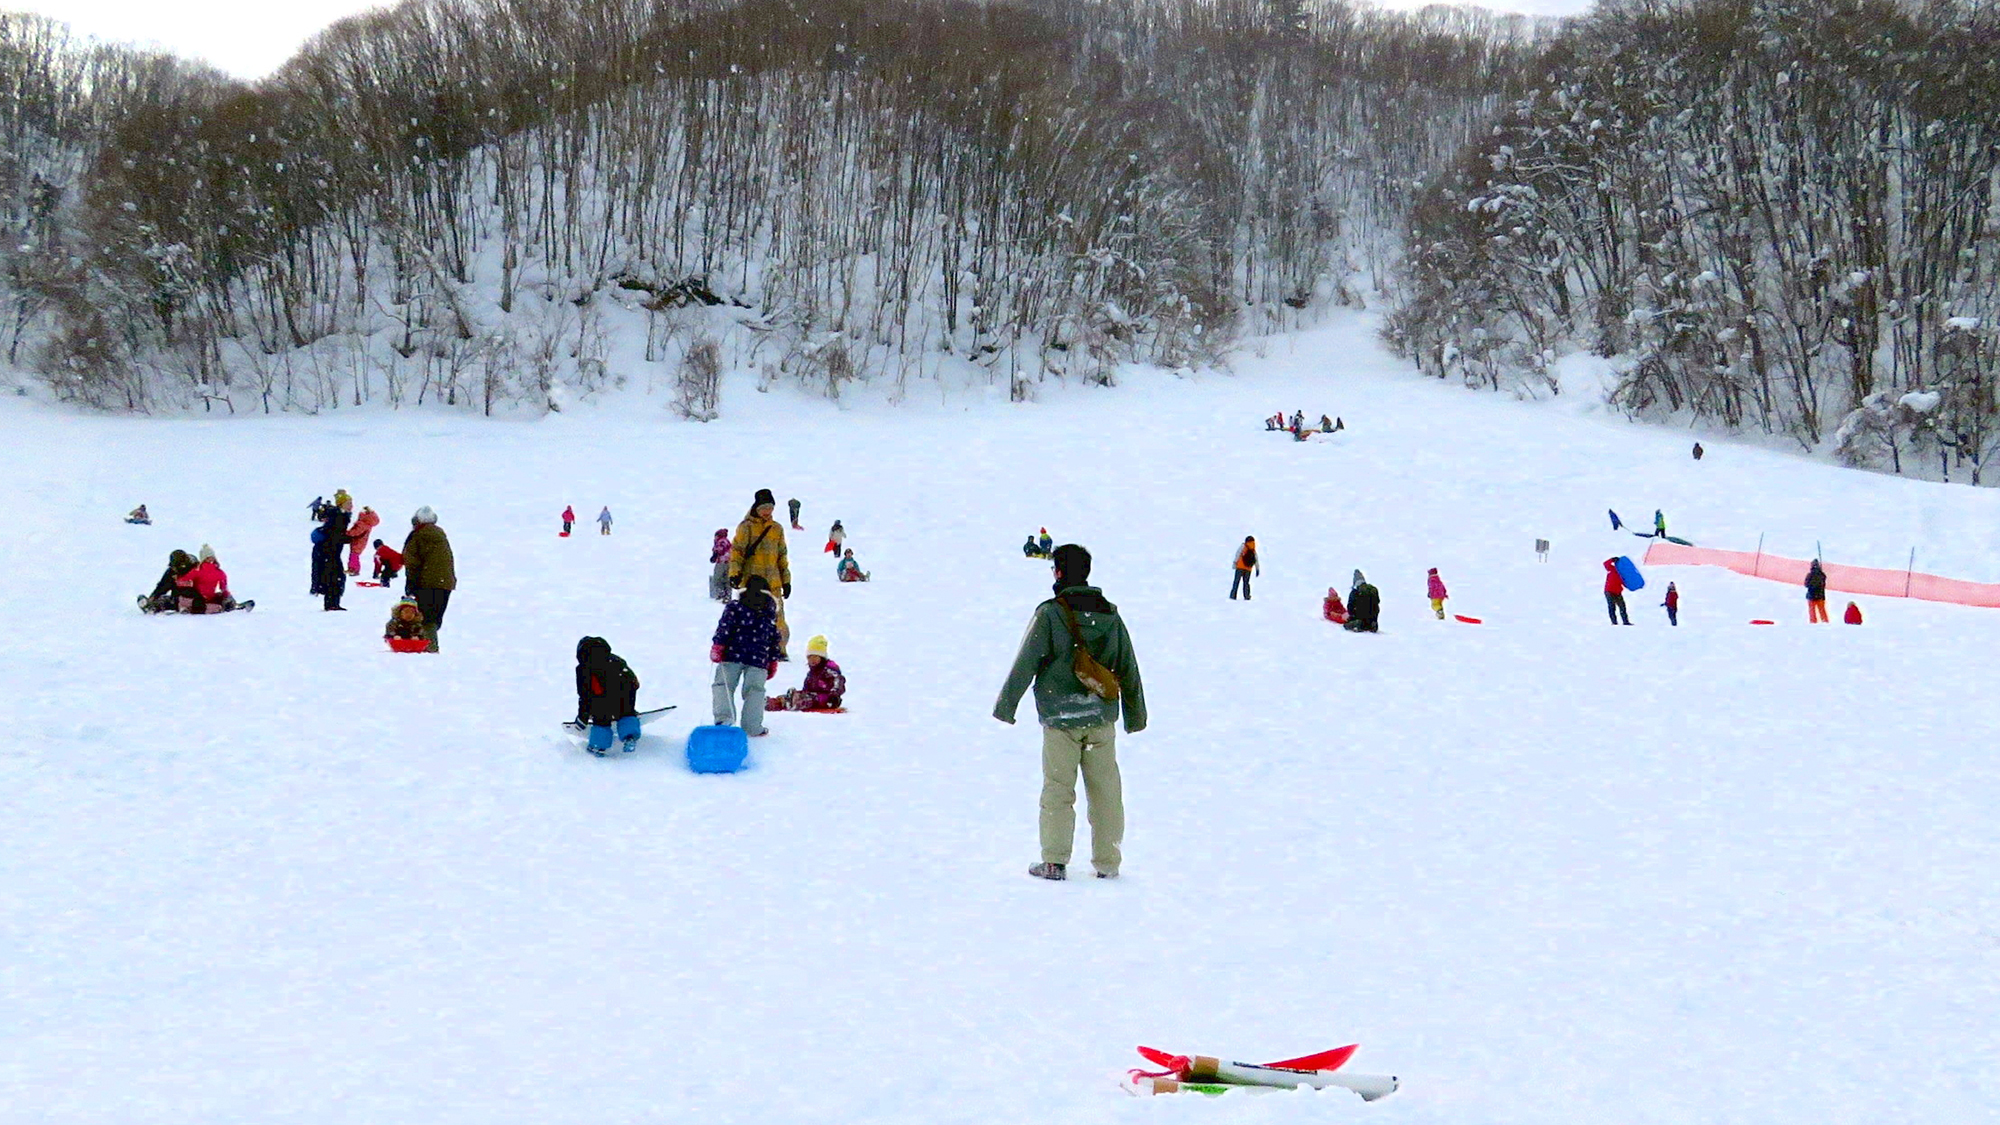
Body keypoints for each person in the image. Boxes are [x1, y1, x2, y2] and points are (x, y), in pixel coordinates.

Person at [995, 543, 1146, 882]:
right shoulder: (1109, 614)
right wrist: (1135, 714)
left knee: (1059, 788)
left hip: (1060, 718)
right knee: (1106, 791)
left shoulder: (1050, 614)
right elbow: (1128, 666)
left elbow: (1026, 661)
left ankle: (1054, 861)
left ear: (1059, 573)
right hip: (1101, 718)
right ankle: (1107, 863)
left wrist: (1006, 706)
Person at [711, 575, 781, 737]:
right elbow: (774, 638)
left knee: (723, 685)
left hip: (732, 654)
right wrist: (772, 660)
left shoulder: (735, 607)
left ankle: (724, 719)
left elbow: (725, 627)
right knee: (755, 691)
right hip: (759, 658)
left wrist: (718, 645)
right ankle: (752, 725)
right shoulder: (768, 613)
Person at [729, 489, 792, 658]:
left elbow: (782, 556)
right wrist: (734, 574)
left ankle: (779, 649)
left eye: (770, 508)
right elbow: (737, 552)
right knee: (750, 617)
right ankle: (750, 648)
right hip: (751, 582)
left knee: (777, 618)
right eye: (764, 508)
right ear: (756, 508)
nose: (767, 512)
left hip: (773, 582)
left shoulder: (776, 529)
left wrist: (786, 581)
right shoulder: (746, 527)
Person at [575, 636, 643, 755]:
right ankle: (629, 735)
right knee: (626, 711)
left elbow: (585, 696)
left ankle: (598, 747)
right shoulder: (615, 660)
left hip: (602, 699)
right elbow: (632, 680)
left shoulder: (584, 669)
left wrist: (583, 717)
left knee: (601, 718)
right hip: (625, 692)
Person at [402, 506, 457, 651]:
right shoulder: (440, 536)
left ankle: (428, 648)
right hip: (445, 583)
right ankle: (427, 644)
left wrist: (410, 585)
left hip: (427, 583)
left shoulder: (417, 536)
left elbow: (412, 562)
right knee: (434, 617)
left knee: (425, 618)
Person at [770, 634, 846, 712]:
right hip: (813, 696)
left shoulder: (829, 670)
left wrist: (834, 695)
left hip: (827, 699)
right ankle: (777, 702)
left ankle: (790, 702)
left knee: (804, 699)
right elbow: (807, 686)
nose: (812, 660)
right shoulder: (812, 672)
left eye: (815, 657)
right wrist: (802, 693)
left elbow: (838, 682)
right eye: (810, 657)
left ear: (822, 657)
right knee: (800, 696)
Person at [182, 544, 248, 613]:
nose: (210, 559)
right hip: (198, 599)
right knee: (217, 606)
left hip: (210, 598)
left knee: (221, 598)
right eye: (207, 558)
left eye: (212, 557)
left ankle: (231, 605)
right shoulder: (197, 571)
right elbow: (185, 580)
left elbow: (224, 587)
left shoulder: (218, 572)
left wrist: (227, 596)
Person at [314, 498, 350, 611]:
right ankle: (331, 604)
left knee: (335, 577)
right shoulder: (338, 517)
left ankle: (332, 603)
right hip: (328, 553)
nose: (351, 505)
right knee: (334, 578)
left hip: (330, 552)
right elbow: (334, 535)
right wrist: (348, 538)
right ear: (341, 504)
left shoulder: (339, 516)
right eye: (348, 503)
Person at [139, 549, 199, 613]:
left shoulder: (196, 570)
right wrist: (153, 597)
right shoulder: (171, 572)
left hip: (197, 600)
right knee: (164, 600)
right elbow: (163, 586)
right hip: (177, 600)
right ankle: (151, 607)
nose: (174, 569)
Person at [345, 505, 379, 575]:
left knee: (354, 556)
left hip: (358, 542)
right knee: (354, 555)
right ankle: (352, 568)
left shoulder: (363, 524)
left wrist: (348, 533)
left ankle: (354, 569)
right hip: (361, 542)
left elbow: (357, 532)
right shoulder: (368, 524)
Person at [1230, 536, 1259, 600]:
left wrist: (1235, 563)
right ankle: (1247, 596)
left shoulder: (1243, 546)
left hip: (1240, 566)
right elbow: (1256, 559)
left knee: (1236, 582)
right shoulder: (1253, 549)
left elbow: (1238, 554)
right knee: (1246, 583)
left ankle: (1233, 596)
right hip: (1248, 568)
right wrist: (1257, 569)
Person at [1603, 558, 1632, 625]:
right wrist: (1612, 559)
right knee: (1612, 607)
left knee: (1622, 607)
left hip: (1617, 592)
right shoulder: (1612, 568)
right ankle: (1614, 622)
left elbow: (1626, 584)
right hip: (1609, 591)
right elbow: (1605, 563)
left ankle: (1626, 621)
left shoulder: (1623, 574)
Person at [709, 528, 734, 601]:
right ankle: (728, 596)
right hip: (730, 563)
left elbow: (719, 550)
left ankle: (721, 595)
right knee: (727, 580)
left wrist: (714, 556)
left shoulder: (721, 541)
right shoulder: (727, 541)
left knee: (717, 579)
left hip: (721, 563)